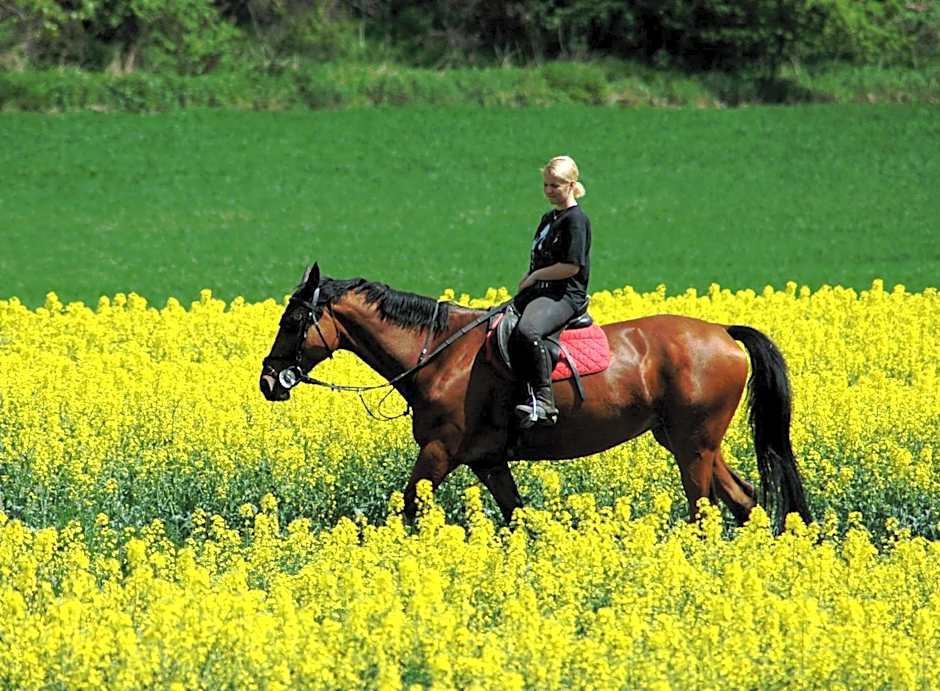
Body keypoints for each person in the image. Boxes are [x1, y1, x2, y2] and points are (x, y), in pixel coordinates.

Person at [512, 155, 591, 427]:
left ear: (571, 185)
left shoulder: (576, 220)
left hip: (564, 295)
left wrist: (535, 276)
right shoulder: (549, 218)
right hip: (541, 291)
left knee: (528, 331)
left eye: (555, 185)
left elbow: (571, 266)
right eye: (545, 185)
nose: (548, 191)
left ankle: (544, 402)